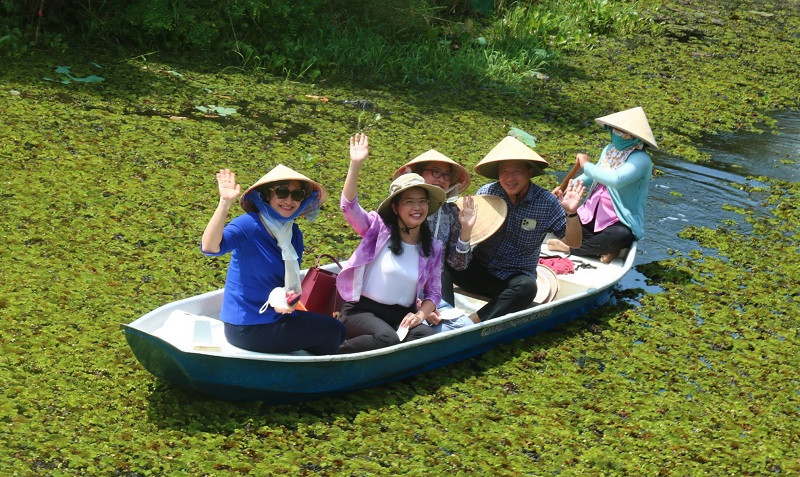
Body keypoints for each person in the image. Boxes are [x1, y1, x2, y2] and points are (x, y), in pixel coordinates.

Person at [200, 165, 346, 355]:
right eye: (282, 192)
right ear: (268, 195)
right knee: (334, 330)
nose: (289, 200)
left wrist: (289, 301)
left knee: (335, 329)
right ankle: (317, 373)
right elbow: (210, 247)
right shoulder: (249, 225)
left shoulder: (293, 233)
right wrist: (224, 203)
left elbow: (288, 284)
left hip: (277, 317)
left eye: (297, 195)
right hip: (246, 326)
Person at [449, 136, 585, 323]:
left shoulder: (547, 202)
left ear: (529, 172)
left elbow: (574, 242)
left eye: (516, 172)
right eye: (504, 172)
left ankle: (471, 322)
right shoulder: (487, 192)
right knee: (444, 259)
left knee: (527, 288)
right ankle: (442, 312)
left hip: (513, 278)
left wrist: (571, 213)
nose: (509, 179)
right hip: (479, 270)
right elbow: (466, 235)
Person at [336, 134, 446, 353]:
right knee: (387, 339)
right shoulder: (378, 229)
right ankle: (331, 353)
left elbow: (433, 294)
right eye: (409, 202)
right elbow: (349, 208)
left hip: (400, 315)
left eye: (422, 201)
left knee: (426, 337)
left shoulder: (433, 247)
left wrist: (419, 315)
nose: (417, 207)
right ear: (396, 208)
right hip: (361, 311)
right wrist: (355, 164)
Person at [547, 106, 656, 263]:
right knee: (557, 218)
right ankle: (603, 250)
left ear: (636, 138)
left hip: (617, 220)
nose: (618, 136)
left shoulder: (641, 160)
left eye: (624, 134)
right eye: (616, 131)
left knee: (622, 235)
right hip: (591, 212)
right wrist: (568, 186)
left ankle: (572, 249)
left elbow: (616, 179)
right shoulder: (609, 150)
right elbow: (593, 175)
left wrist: (586, 165)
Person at [393, 150, 477, 331]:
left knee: (464, 327)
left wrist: (466, 229)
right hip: (400, 286)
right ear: (419, 174)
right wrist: (418, 304)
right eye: (435, 172)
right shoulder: (400, 207)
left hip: (432, 289)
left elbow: (459, 265)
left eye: (447, 175)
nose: (441, 179)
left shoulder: (450, 212)